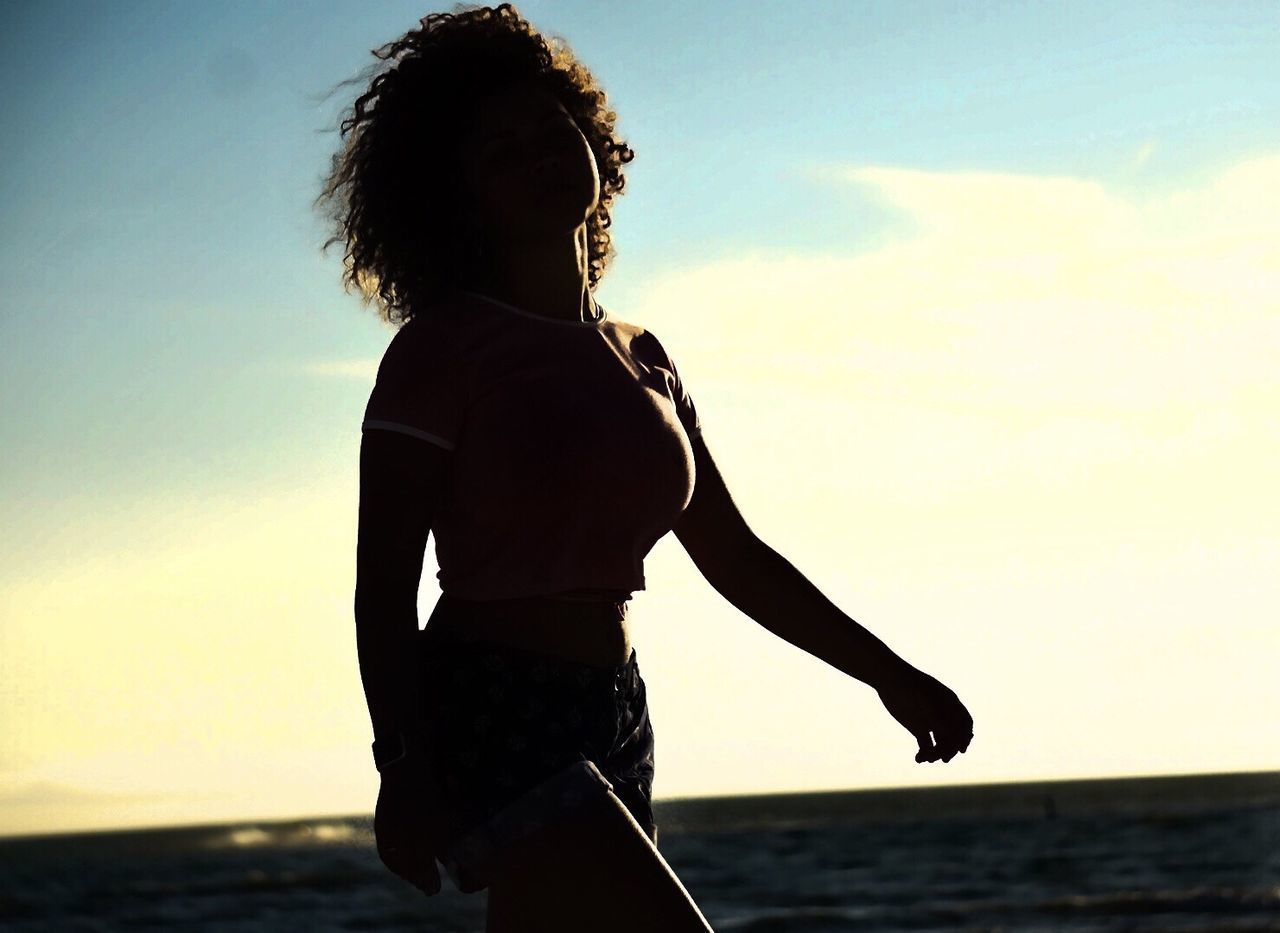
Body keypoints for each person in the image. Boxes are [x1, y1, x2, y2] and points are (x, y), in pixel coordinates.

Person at [317, 5, 973, 931]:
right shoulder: (442, 352)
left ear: (587, 135)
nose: (539, 157)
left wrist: (888, 673)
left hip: (615, 709)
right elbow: (381, 588)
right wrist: (403, 767)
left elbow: (734, 556)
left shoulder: (642, 356)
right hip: (494, 707)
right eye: (499, 154)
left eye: (547, 129)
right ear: (456, 197)